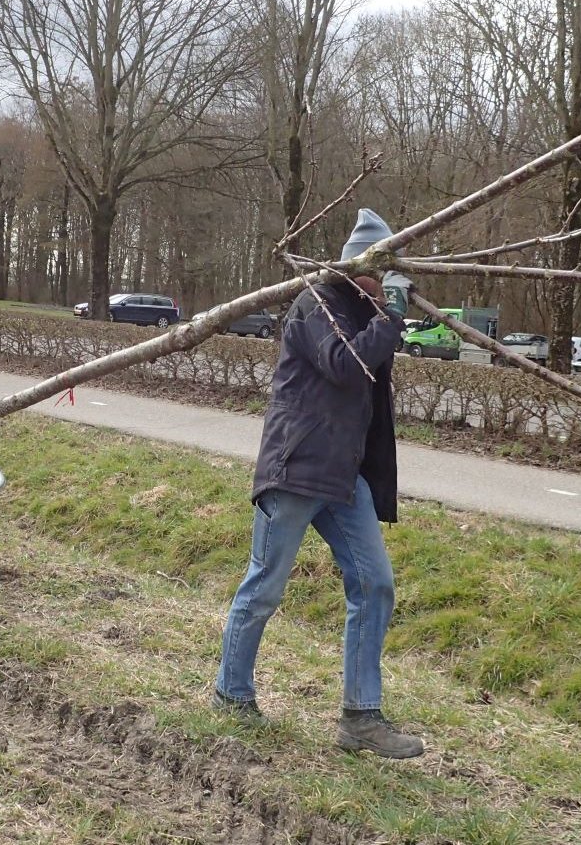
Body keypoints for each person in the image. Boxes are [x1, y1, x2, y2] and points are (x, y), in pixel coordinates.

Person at [213, 208, 425, 759]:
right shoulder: (318, 304)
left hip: (343, 477)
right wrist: (391, 315)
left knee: (375, 584)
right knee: (265, 586)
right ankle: (231, 694)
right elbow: (346, 364)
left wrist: (387, 315)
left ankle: (361, 717)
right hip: (297, 468)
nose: (393, 280)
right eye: (387, 270)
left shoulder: (367, 312)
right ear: (363, 268)